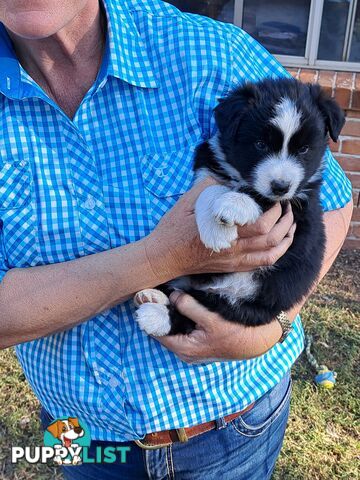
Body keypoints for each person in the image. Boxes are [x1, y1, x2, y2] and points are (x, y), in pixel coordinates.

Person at [0, 0, 353, 478]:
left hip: (230, 428)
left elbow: (330, 198)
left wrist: (273, 324)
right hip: (78, 437)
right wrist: (156, 258)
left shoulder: (210, 52)